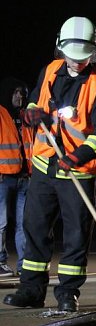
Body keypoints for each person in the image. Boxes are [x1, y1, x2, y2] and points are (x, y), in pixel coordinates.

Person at [3, 16, 96, 312]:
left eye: (83, 58)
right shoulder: (50, 70)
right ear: (60, 48)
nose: (77, 63)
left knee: (76, 234)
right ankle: (31, 289)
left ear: (95, 51)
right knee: (35, 228)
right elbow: (33, 103)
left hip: (76, 171)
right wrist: (31, 115)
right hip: (43, 165)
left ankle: (68, 292)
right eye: (72, 56)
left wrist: (78, 156)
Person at [0, 78, 33, 277]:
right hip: (3, 177)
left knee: (25, 223)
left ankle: (24, 264)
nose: (19, 96)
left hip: (25, 177)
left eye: (22, 93)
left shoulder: (26, 116)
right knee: (1, 222)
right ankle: (0, 261)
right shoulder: (1, 113)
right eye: (15, 92)